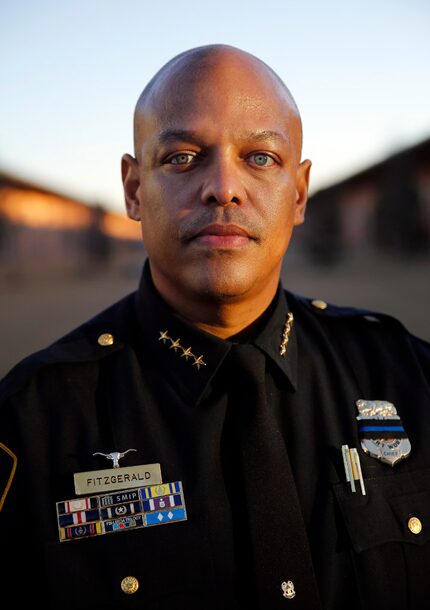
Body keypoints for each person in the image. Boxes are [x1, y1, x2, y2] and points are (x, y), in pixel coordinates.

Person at [1, 44, 429, 610]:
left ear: (298, 194)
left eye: (260, 158)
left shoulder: (408, 376)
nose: (223, 187)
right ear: (133, 189)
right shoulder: (33, 421)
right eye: (182, 157)